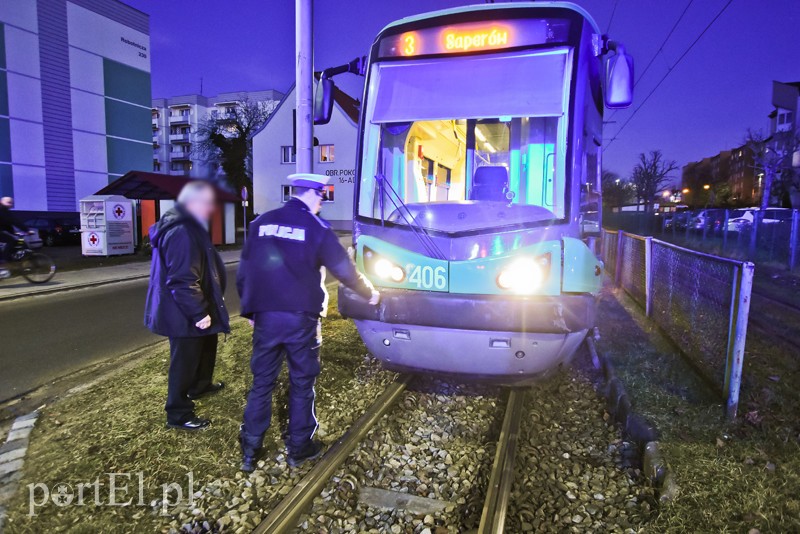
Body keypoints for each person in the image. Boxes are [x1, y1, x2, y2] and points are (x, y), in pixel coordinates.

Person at [237, 173, 379, 471]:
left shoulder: (261, 223)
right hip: (301, 319)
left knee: (262, 382)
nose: (321, 203)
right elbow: (344, 269)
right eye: (322, 197)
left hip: (266, 316)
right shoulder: (315, 227)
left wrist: (251, 311)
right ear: (317, 195)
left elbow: (245, 271)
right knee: (302, 382)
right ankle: (299, 448)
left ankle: (250, 449)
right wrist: (369, 293)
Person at [144, 181, 230, 431]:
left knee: (206, 345)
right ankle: (178, 413)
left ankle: (200, 386)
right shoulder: (182, 232)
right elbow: (182, 279)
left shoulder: (189, 226)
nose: (211, 209)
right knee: (185, 359)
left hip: (194, 305)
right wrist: (198, 312)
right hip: (183, 311)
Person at [0, 197, 32, 278]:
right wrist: (27, 230)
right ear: (2, 202)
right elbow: (14, 221)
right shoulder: (3, 210)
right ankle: (3, 265)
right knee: (10, 241)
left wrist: (14, 232)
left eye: (11, 203)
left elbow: (6, 224)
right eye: (8, 202)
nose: (10, 204)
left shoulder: (3, 211)